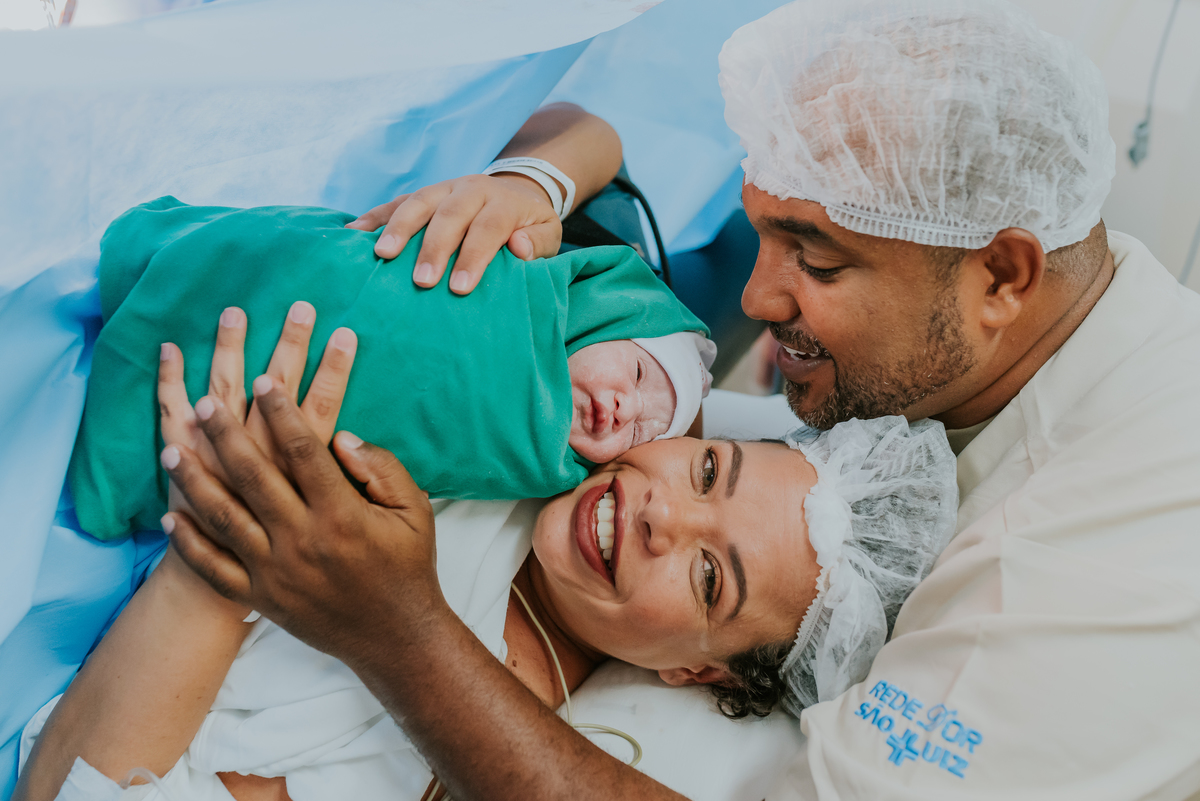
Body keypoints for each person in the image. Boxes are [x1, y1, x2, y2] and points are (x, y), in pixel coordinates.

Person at [61, 0, 1200, 796]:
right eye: (766, 233)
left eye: (820, 258)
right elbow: (610, 209)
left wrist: (379, 620)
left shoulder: (1104, 559)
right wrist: (542, 178)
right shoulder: (648, 442)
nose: (756, 295)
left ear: (1002, 274)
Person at [15, 308, 957, 800]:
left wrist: (217, 559)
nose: (663, 514)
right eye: (709, 468)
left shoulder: (427, 747)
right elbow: (575, 138)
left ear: (697, 667)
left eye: (709, 576)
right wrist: (536, 179)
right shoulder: (585, 410)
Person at [69, 196, 716, 541]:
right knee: (296, 270)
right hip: (315, 283)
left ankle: (118, 466)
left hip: (239, 431)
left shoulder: (533, 467)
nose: (629, 408)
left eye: (645, 428)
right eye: (637, 374)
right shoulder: (530, 291)